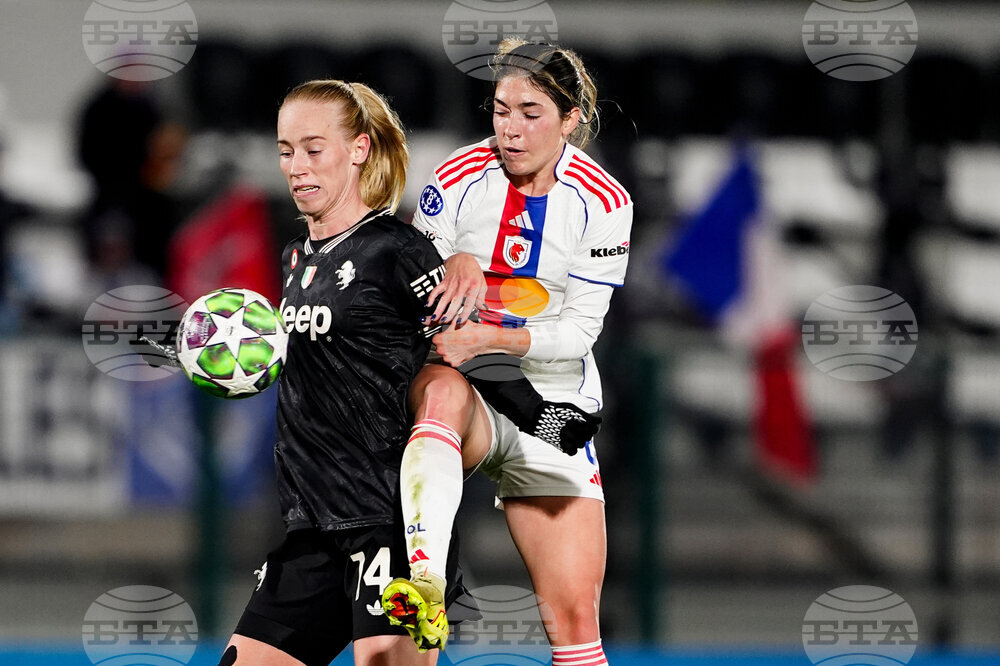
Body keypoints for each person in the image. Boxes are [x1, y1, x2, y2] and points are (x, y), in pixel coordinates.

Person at [382, 40, 632, 666]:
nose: (510, 129)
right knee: (439, 393)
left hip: (550, 408)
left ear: (570, 119)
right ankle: (425, 577)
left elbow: (578, 335)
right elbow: (411, 294)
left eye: (530, 112)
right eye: (500, 110)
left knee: (575, 623)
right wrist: (447, 267)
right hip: (466, 387)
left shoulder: (605, 203)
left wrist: (489, 336)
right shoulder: (457, 179)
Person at [221, 79, 466, 666]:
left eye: (313, 148)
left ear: (358, 150)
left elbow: (460, 356)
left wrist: (541, 419)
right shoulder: (296, 256)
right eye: (285, 151)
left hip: (388, 524)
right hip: (311, 530)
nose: (297, 167)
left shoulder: (397, 251)